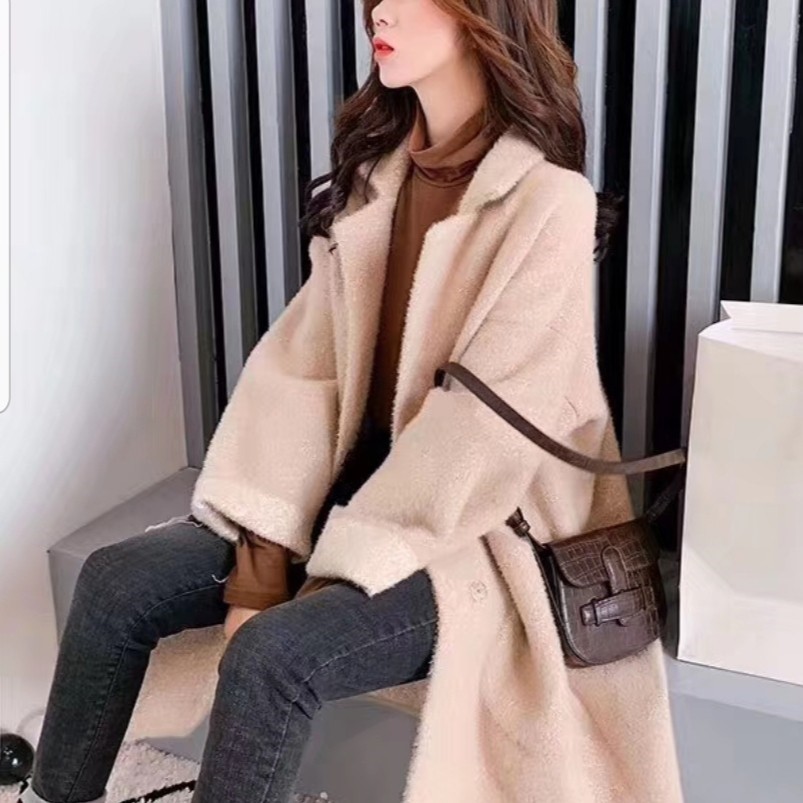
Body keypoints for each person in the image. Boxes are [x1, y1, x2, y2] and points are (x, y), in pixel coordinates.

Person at [22, 2, 684, 803]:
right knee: (115, 581)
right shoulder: (377, 184)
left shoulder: (547, 204)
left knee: (273, 654)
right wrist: (261, 564)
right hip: (337, 501)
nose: (379, 10)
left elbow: (479, 440)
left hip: (470, 536)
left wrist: (328, 573)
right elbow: (299, 381)